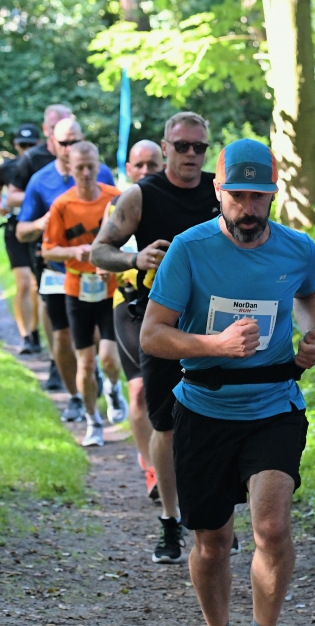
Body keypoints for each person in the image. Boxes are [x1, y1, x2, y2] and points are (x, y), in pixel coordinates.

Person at [140, 138, 315, 626]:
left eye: (258, 196)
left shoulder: (298, 249)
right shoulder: (190, 249)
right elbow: (152, 335)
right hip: (205, 408)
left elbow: (311, 294)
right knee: (213, 541)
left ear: (273, 194)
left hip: (274, 406)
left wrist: (313, 334)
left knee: (271, 528)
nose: (248, 208)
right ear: (218, 191)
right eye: (237, 196)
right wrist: (215, 345)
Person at [91, 112, 220, 563]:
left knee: (218, 423)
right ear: (165, 148)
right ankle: (170, 520)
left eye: (199, 147)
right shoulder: (141, 195)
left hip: (215, 323)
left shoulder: (220, 191)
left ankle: (215, 518)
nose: (190, 154)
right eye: (181, 146)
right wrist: (136, 257)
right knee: (164, 423)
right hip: (159, 323)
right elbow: (99, 251)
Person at [17, 117, 120, 421]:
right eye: (64, 143)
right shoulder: (41, 181)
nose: (69, 147)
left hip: (98, 273)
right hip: (57, 270)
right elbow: (22, 231)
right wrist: (44, 223)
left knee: (99, 341)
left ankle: (98, 380)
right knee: (62, 338)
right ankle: (75, 396)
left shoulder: (103, 176)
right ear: (52, 143)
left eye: (75, 142)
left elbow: (120, 223)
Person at [41, 142, 124, 447]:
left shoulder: (115, 198)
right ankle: (93, 422)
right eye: (79, 168)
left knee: (109, 359)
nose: (86, 173)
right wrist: (73, 252)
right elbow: (47, 249)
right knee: (86, 363)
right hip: (77, 290)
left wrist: (111, 262)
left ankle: (113, 388)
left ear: (99, 165)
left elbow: (130, 241)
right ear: (69, 168)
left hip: (110, 288)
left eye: (91, 167)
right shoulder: (62, 205)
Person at [108, 140, 165, 499]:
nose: (145, 171)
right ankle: (152, 468)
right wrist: (131, 264)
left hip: (173, 307)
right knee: (139, 389)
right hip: (129, 304)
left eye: (152, 165)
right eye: (139, 165)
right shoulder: (120, 204)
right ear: (128, 169)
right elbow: (103, 255)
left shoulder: (174, 203)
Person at [8, 105, 74, 387]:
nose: (68, 144)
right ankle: (52, 358)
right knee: (43, 297)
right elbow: (11, 197)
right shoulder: (33, 161)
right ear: (48, 132)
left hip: (81, 249)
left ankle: (86, 365)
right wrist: (47, 210)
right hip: (41, 243)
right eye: (58, 132)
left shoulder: (88, 161)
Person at [1, 123, 43, 354]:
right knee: (24, 284)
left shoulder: (42, 165)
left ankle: (35, 331)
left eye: (30, 145)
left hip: (37, 229)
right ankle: (25, 334)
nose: (26, 149)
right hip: (14, 228)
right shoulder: (8, 167)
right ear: (16, 145)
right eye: (22, 145)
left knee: (37, 285)